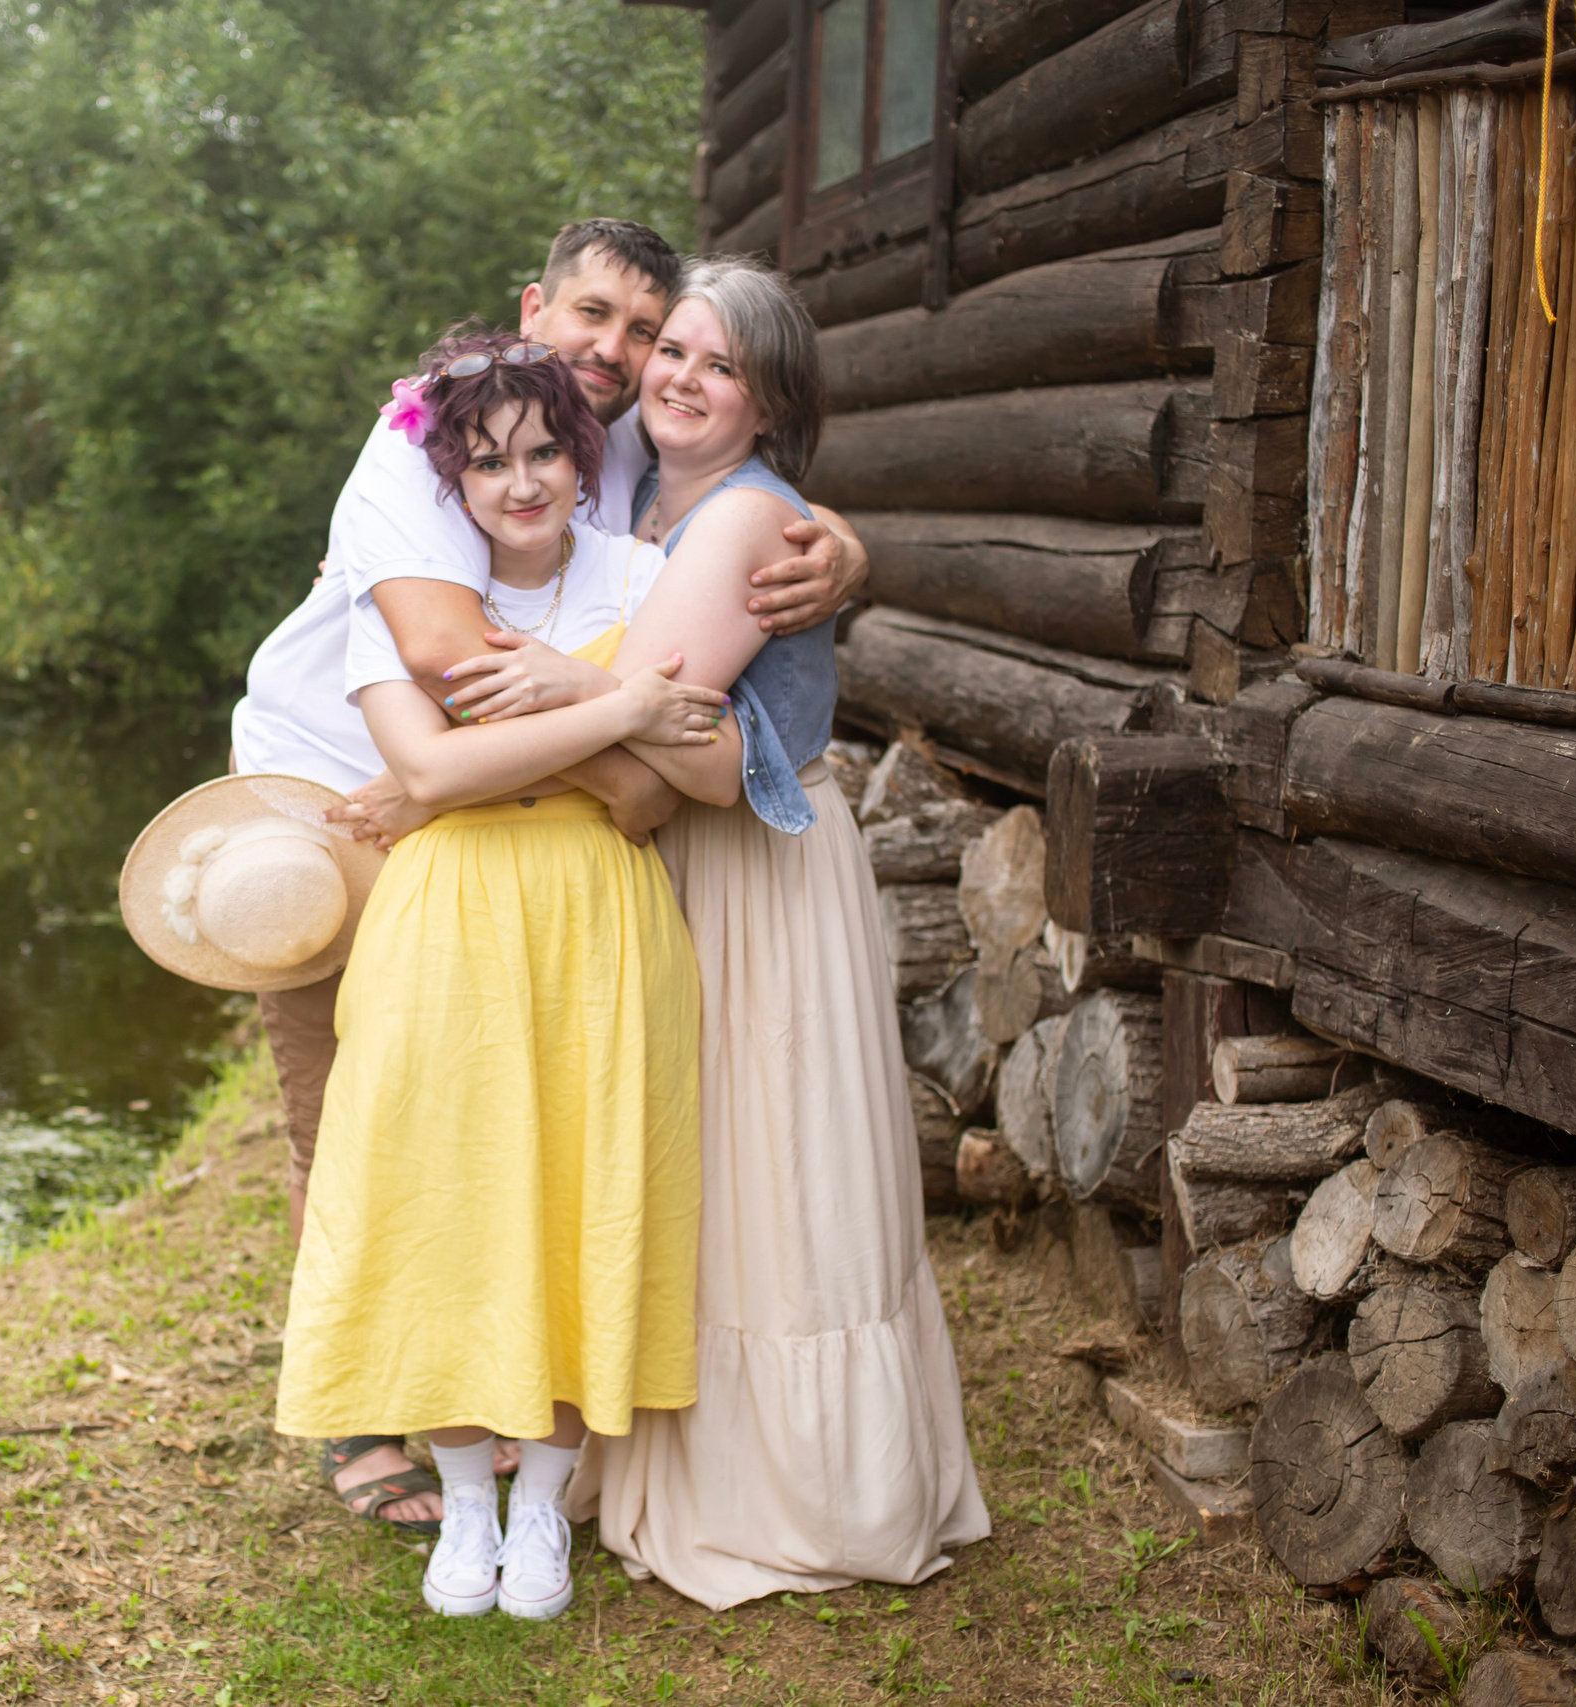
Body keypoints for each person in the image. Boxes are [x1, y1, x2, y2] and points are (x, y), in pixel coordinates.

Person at [226, 218, 871, 1534]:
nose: (621, 352)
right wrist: (620, 712)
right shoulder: (418, 440)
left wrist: (841, 543)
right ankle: (366, 1411)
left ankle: (510, 1394)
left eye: (645, 330)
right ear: (536, 304)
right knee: (347, 1109)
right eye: (596, 316)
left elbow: (737, 487)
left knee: (499, 1114)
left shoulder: (614, 432)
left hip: (490, 826)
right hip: (334, 789)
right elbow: (453, 660)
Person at [405, 256, 991, 1608]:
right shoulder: (623, 481)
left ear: (771, 398)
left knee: (770, 1169)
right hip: (666, 858)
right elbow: (630, 704)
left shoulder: (739, 523)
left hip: (753, 876)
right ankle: (637, 1450)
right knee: (685, 1165)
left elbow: (645, 731)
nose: (677, 374)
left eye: (720, 364)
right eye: (673, 347)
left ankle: (790, 1482)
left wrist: (562, 683)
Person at [274, 330, 736, 1622]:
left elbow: (652, 796)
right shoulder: (399, 593)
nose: (522, 481)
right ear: (453, 483)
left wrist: (518, 726)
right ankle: (466, 1494)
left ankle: (544, 1504)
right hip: (444, 925)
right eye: (489, 463)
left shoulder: (644, 574)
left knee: (590, 1193)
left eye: (544, 452)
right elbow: (422, 777)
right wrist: (618, 703)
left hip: (600, 915)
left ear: (581, 458)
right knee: (447, 1199)